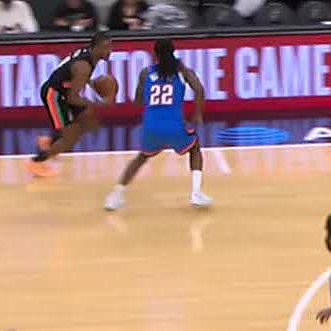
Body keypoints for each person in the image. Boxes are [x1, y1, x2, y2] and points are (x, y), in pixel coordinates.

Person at [103, 39, 211, 212]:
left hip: (151, 127)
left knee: (140, 159)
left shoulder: (146, 73)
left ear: (155, 54)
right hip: (174, 125)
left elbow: (138, 102)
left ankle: (115, 196)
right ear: (173, 52)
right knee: (195, 147)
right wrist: (197, 113)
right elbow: (199, 89)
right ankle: (196, 193)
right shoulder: (183, 71)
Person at [27, 32, 115, 177]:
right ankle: (37, 161)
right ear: (96, 48)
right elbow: (72, 98)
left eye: (111, 46)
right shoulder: (83, 66)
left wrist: (92, 84)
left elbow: (71, 73)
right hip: (55, 95)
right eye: (106, 47)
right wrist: (99, 103)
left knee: (88, 121)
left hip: (63, 91)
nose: (110, 50)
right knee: (70, 137)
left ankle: (49, 142)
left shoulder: (87, 54)